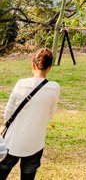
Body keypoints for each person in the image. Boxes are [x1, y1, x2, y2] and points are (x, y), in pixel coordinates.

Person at [0, 48, 60, 178]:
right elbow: (51, 114)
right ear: (50, 67)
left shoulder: (21, 84)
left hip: (13, 141)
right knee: (28, 175)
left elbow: (7, 114)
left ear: (33, 65)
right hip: (35, 142)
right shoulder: (54, 88)